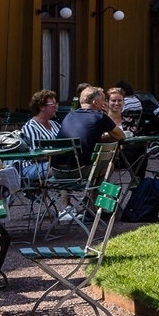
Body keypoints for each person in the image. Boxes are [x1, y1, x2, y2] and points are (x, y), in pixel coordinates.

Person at [56, 86, 124, 220]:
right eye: (103, 101)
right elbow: (121, 136)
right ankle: (94, 206)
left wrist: (95, 137)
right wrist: (102, 137)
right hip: (81, 172)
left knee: (69, 160)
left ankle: (65, 207)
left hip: (56, 173)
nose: (104, 104)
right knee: (109, 166)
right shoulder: (99, 116)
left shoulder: (69, 115)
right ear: (95, 103)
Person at [107, 85, 150, 182]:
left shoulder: (128, 119)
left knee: (141, 150)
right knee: (139, 153)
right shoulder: (103, 119)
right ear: (107, 102)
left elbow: (132, 135)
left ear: (123, 102)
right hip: (109, 156)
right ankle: (137, 182)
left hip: (124, 153)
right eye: (113, 101)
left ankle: (137, 183)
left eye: (120, 100)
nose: (117, 103)